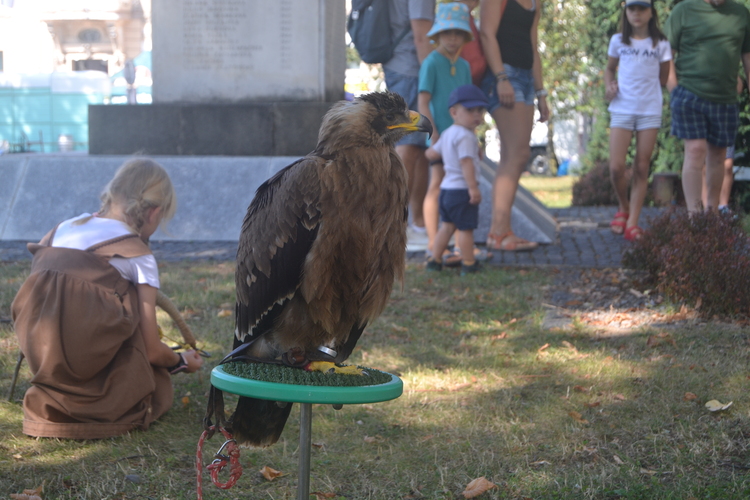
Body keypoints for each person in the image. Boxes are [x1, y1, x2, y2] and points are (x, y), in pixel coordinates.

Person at [11, 158, 204, 439]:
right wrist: (180, 361)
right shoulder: (136, 253)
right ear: (154, 212)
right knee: (155, 376)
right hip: (102, 394)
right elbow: (151, 349)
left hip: (46, 376)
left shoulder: (58, 231)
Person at [665, 0, 750, 213]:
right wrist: (674, 90)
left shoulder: (741, 14)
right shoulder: (683, 11)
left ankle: (712, 215)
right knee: (695, 150)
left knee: (719, 156)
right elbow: (666, 55)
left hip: (726, 97)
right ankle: (695, 217)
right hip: (688, 94)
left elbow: (748, 58)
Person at [479, 0, 549, 251]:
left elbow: (533, 45)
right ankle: (498, 232)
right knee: (517, 155)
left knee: (514, 155)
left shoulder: (535, 3)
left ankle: (500, 231)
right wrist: (501, 77)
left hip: (527, 77)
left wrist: (541, 92)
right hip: (504, 76)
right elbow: (486, 33)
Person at [605, 0, 671, 241]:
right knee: (616, 167)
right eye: (632, 8)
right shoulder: (618, 41)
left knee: (642, 167)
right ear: (626, 11)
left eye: (642, 8)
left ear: (651, 12)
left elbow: (664, 77)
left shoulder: (661, 43)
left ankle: (632, 222)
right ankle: (623, 206)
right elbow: (609, 69)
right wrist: (608, 86)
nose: (636, 13)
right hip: (622, 107)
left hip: (649, 110)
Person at [418, 2, 474, 260]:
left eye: (458, 33)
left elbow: (469, 103)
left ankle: (457, 243)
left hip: (460, 138)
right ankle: (434, 242)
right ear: (438, 34)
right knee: (436, 184)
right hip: (439, 135)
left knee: (459, 185)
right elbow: (423, 100)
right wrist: (433, 132)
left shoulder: (464, 66)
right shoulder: (431, 62)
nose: (452, 38)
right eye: (447, 33)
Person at [383, 0, 436, 236]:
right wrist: (435, 77)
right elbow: (421, 36)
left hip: (401, 68)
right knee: (408, 147)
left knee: (420, 148)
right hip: (412, 71)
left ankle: (418, 223)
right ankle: (395, 225)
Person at [425, 84, 489, 275]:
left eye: (480, 110)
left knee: (446, 227)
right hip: (462, 190)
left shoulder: (447, 133)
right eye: (470, 110)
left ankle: (434, 260)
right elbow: (466, 163)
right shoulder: (466, 136)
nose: (476, 115)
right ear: (454, 112)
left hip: (446, 190)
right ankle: (469, 264)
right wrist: (473, 188)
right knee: (466, 230)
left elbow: (431, 154)